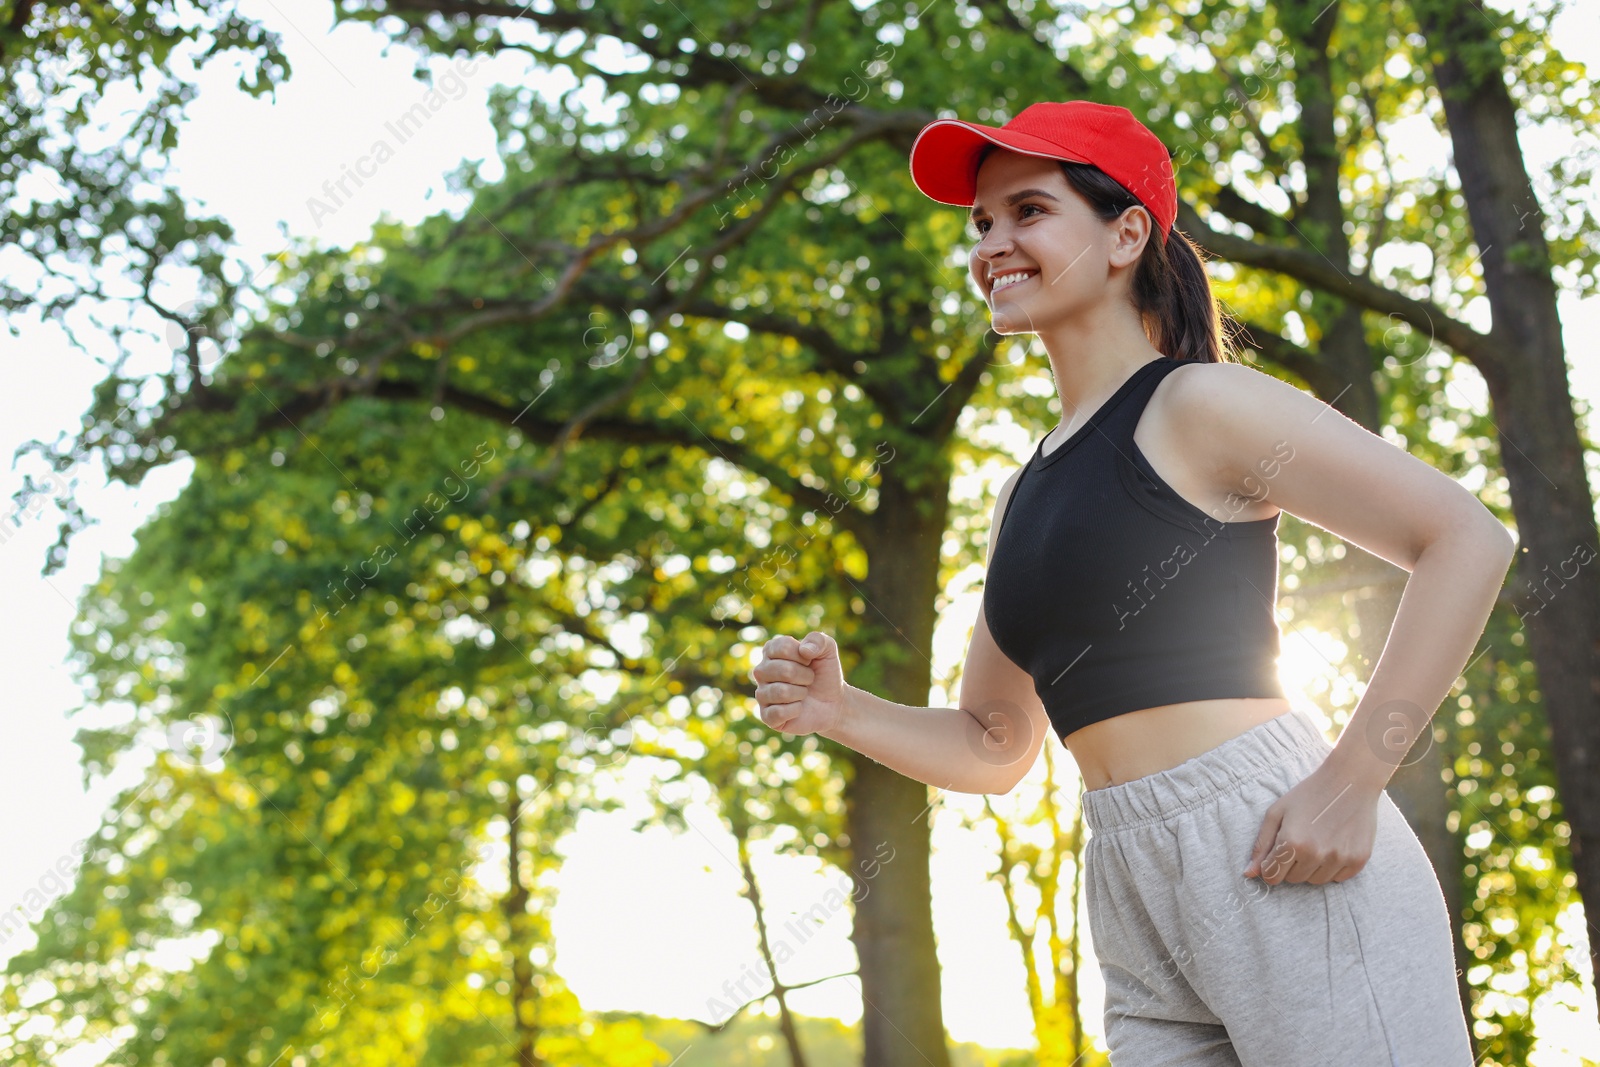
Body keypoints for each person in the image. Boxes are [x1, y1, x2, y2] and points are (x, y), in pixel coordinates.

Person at [749, 100, 1514, 1066]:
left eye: (1027, 211)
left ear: (1125, 233)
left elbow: (1466, 537)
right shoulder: (1022, 492)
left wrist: (1354, 780)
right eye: (981, 225)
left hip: (1277, 836)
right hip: (1126, 871)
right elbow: (997, 744)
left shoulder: (1200, 403)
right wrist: (841, 711)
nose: (993, 244)